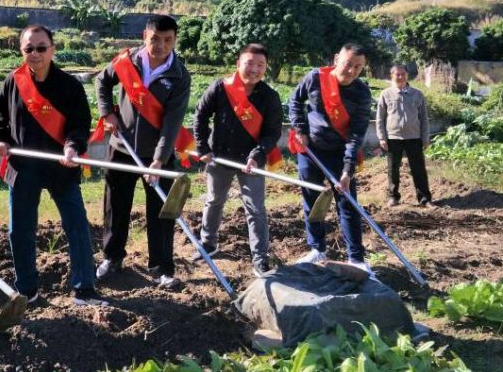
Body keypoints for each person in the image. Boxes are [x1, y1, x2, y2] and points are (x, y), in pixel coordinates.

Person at [0, 25, 107, 307]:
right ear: (21, 51)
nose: (35, 54)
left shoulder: (70, 86)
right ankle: (27, 291)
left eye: (41, 48)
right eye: (29, 49)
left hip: (60, 168)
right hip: (23, 168)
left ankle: (84, 289)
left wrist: (72, 147)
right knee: (21, 230)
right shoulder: (12, 82)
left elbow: (79, 125)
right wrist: (0, 139)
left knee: (77, 225)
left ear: (52, 49)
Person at [94, 15, 192, 289]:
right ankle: (112, 258)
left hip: (157, 156)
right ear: (144, 36)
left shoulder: (179, 75)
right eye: (155, 39)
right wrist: (107, 113)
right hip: (121, 150)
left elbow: (173, 122)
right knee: (115, 206)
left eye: (168, 40)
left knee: (160, 211)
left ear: (174, 40)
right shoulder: (127, 62)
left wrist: (159, 159)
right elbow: (102, 82)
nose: (161, 45)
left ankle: (162, 268)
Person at [192, 43, 282, 277]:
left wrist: (257, 155)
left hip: (251, 162)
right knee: (213, 201)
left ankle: (260, 257)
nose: (254, 69)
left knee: (256, 209)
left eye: (260, 65)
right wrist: (203, 146)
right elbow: (200, 115)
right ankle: (208, 243)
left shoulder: (270, 97)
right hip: (219, 157)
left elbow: (272, 133)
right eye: (249, 63)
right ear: (238, 63)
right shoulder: (221, 88)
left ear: (265, 68)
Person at [288, 43, 372, 273]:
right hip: (311, 150)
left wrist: (347, 170)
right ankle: (317, 248)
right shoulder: (315, 78)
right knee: (312, 199)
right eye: (348, 64)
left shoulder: (362, 94)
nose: (351, 71)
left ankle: (356, 258)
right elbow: (295, 101)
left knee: (347, 203)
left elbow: (356, 136)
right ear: (336, 59)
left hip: (339, 153)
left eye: (358, 67)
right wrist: (300, 129)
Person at [377, 64, 434, 207]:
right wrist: (382, 137)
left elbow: (424, 118)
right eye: (397, 74)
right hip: (393, 137)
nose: (400, 77)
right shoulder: (386, 94)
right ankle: (393, 197)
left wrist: (425, 137)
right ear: (392, 76)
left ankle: (424, 199)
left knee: (418, 169)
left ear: (407, 75)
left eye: (403, 74)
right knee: (393, 169)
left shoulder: (417, 94)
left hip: (414, 138)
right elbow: (380, 118)